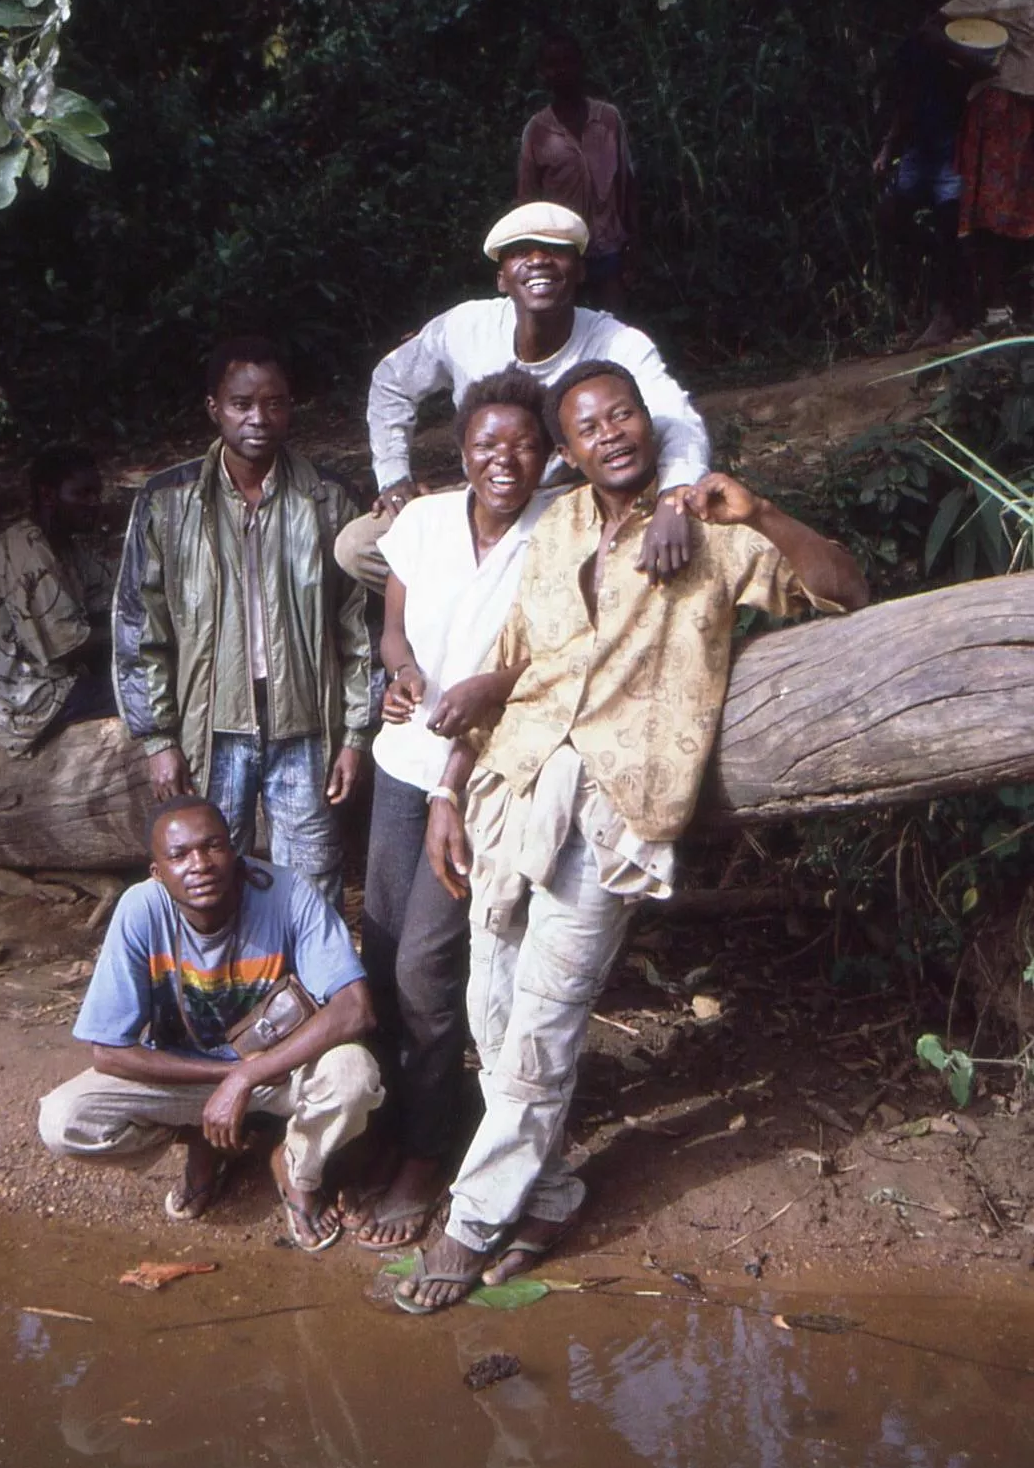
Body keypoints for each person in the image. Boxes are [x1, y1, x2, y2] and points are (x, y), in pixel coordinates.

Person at [394, 359, 869, 1313]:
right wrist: (447, 790)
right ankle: (555, 1188)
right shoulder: (560, 525)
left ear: (646, 425)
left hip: (618, 801)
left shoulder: (708, 523)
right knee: (491, 1005)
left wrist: (757, 511)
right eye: (587, 426)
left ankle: (469, 1222)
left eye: (622, 415)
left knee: (544, 1012)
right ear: (567, 453)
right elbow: (508, 664)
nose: (609, 432)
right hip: (510, 785)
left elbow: (847, 590)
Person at [348, 369, 554, 1250]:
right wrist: (399, 674)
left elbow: (561, 654)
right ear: (460, 452)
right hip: (402, 765)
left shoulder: (560, 530)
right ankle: (409, 1117)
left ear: (545, 454)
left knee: (427, 971)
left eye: (520, 444)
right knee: (382, 948)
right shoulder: (426, 521)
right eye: (484, 445)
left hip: (488, 775)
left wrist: (488, 685)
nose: (502, 460)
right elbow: (392, 628)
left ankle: (429, 1156)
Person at [38, 795, 382, 1251]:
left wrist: (248, 1076)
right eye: (179, 855)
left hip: (279, 1070)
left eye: (212, 846)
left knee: (353, 1075)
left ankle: (298, 1168)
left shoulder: (287, 893)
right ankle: (203, 1140)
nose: (199, 864)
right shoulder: (141, 910)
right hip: (191, 1074)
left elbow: (355, 1008)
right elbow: (108, 1050)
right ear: (157, 873)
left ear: (234, 851)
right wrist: (228, 1078)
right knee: (65, 1120)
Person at [113, 336, 371, 910]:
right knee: (207, 881)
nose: (259, 418)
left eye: (274, 403)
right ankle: (226, 993)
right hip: (212, 727)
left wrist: (355, 734)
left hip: (306, 725)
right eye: (241, 403)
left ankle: (312, 996)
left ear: (290, 407)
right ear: (214, 408)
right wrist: (157, 738)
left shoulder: (328, 499)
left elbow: (359, 627)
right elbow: (139, 628)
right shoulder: (168, 503)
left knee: (312, 881)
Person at [334, 200, 709, 593]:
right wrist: (396, 478)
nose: (538, 261)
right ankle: (472, 605)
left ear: (580, 270)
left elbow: (675, 420)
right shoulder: (466, 328)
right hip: (486, 494)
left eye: (556, 250)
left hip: (567, 503)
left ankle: (506, 604)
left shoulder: (616, 342)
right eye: (519, 253)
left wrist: (673, 498)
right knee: (359, 545)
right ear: (502, 278)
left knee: (628, 555)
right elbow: (391, 381)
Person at [0, 443, 117, 756]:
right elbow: (68, 642)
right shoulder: (26, 547)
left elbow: (113, 605)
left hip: (56, 682)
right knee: (152, 690)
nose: (93, 503)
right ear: (48, 496)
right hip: (21, 699)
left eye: (96, 494)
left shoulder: (69, 551)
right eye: (82, 494)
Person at [932, 0, 1034, 332]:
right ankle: (995, 307)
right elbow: (934, 30)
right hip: (1002, 104)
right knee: (993, 207)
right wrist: (972, 64)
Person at [517, 31, 637, 312]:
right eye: (551, 65)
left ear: (581, 65)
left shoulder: (608, 119)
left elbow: (627, 184)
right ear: (542, 73)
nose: (560, 72)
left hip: (608, 249)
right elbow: (527, 202)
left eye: (567, 62)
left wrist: (634, 248)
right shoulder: (536, 131)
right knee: (566, 334)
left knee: (612, 330)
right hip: (562, 252)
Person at [874, 30, 971, 347]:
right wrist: (888, 149)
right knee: (891, 216)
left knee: (949, 226)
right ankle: (931, 292)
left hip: (952, 148)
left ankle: (947, 315)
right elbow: (906, 104)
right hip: (921, 149)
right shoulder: (913, 50)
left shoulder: (962, 51)